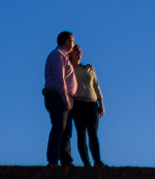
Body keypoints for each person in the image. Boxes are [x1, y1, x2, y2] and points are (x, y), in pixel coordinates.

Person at [43, 31, 78, 166]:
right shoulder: (58, 56)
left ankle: (66, 160)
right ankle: (53, 160)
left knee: (66, 130)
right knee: (59, 127)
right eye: (72, 41)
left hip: (64, 97)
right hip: (58, 96)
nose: (73, 44)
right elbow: (60, 79)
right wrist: (65, 98)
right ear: (67, 41)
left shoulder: (64, 57)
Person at [70, 44, 107, 168]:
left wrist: (101, 103)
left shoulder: (88, 68)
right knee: (81, 133)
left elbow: (96, 85)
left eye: (80, 51)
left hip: (92, 102)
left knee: (93, 131)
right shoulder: (69, 69)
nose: (79, 52)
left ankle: (97, 161)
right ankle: (86, 162)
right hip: (78, 103)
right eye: (76, 51)